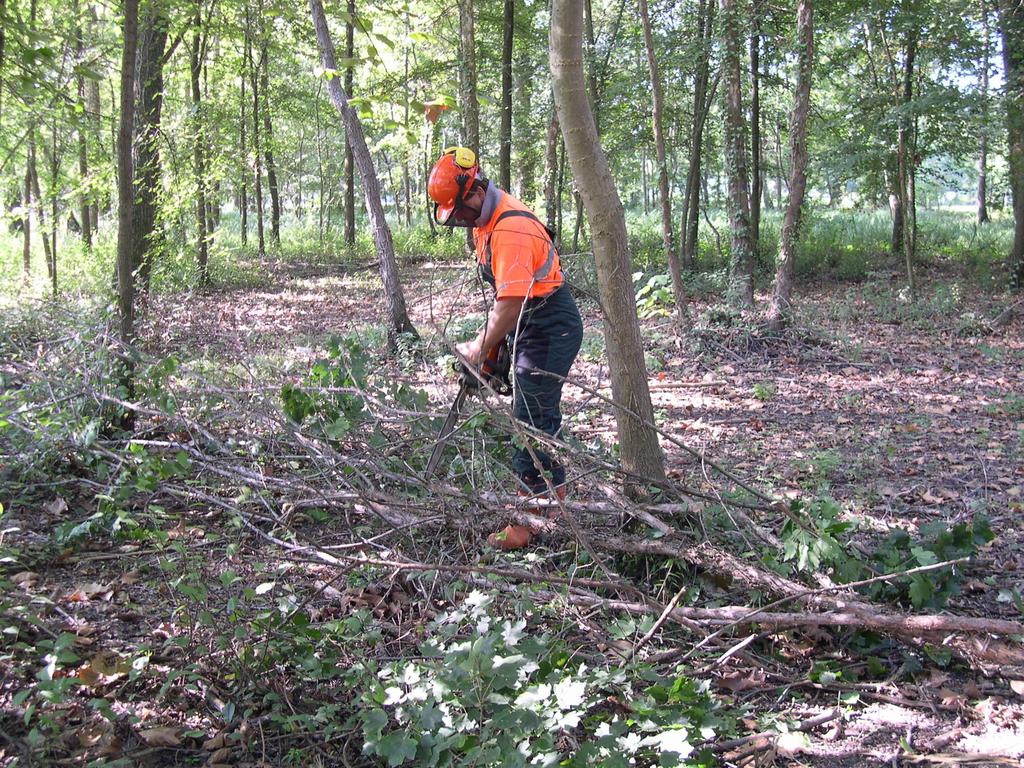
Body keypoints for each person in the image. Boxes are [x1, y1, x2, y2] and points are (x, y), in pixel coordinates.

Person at [427, 146, 583, 549]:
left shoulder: (510, 228)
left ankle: (523, 526)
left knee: (530, 421)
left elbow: (512, 303)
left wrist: (480, 347)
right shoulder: (486, 221)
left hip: (548, 324)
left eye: (459, 213)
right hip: (529, 320)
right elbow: (506, 293)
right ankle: (553, 509)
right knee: (538, 417)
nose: (459, 222)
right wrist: (494, 350)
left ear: (475, 193)